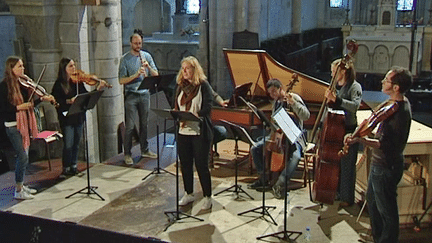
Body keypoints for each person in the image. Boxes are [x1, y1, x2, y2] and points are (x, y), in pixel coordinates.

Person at [345, 67, 412, 243]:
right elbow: (377, 127)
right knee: (373, 204)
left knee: (387, 211)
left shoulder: (400, 112)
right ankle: (378, 238)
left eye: (387, 80)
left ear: (396, 87)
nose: (382, 82)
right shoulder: (391, 104)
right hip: (379, 165)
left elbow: (384, 144)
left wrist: (360, 140)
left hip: (386, 166)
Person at [0, 56, 56, 199]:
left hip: (24, 124)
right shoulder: (4, 86)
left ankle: (21, 185)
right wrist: (19, 107)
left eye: (23, 65)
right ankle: (18, 190)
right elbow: (4, 109)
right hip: (13, 126)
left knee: (24, 156)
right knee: (22, 156)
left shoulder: (23, 84)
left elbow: (29, 105)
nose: (23, 68)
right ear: (11, 69)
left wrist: (41, 99)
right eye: (19, 66)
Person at [248, 78, 310, 198]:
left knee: (296, 156)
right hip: (279, 136)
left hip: (295, 137)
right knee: (255, 148)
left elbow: (306, 116)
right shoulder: (276, 103)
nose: (272, 95)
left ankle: (280, 183)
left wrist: (294, 104)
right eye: (270, 93)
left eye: (274, 91)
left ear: (281, 88)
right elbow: (274, 120)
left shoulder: (294, 98)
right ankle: (263, 178)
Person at [51, 58, 107, 177]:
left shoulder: (78, 82)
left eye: (74, 65)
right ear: (64, 69)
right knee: (68, 144)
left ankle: (74, 166)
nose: (74, 68)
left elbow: (86, 96)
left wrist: (98, 88)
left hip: (78, 116)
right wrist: (69, 101)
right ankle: (65, 168)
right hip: (67, 119)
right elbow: (57, 101)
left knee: (76, 143)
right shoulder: (58, 84)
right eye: (70, 66)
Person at [175, 56, 213, 210]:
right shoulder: (180, 86)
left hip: (199, 132)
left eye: (187, 68)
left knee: (201, 165)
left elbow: (208, 106)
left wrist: (198, 115)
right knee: (185, 164)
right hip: (183, 131)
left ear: (194, 69)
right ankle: (189, 193)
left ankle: (207, 196)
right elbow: (175, 105)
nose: (184, 71)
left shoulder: (203, 85)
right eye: (183, 68)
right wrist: (176, 114)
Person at [324, 58, 362, 207]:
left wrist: (336, 99)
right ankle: (336, 191)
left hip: (348, 129)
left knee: (347, 165)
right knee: (336, 164)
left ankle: (347, 198)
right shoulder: (334, 85)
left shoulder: (354, 86)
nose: (332, 74)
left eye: (334, 71)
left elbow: (355, 106)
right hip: (334, 129)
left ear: (343, 71)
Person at [119, 30, 158, 165]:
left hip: (145, 94)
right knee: (130, 126)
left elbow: (156, 74)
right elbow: (121, 81)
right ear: (131, 43)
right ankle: (128, 154)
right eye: (135, 43)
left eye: (140, 43)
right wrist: (136, 75)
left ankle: (145, 149)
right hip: (131, 95)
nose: (138, 46)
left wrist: (148, 68)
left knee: (144, 124)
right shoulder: (125, 59)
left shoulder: (146, 56)